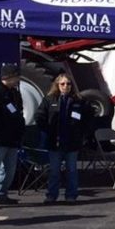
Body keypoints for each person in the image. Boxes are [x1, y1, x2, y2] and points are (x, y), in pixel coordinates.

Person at [34, 74, 89, 204]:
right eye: (62, 84)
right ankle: (51, 196)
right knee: (54, 171)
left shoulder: (79, 101)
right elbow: (39, 116)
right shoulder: (49, 99)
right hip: (55, 142)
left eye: (68, 84)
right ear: (57, 85)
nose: (66, 86)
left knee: (72, 170)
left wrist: (82, 133)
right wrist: (48, 130)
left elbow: (88, 118)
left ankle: (71, 195)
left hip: (72, 142)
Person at [0, 64, 24, 208]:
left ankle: (1, 194)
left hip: (12, 138)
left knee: (9, 170)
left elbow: (19, 113)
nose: (18, 79)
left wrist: (20, 129)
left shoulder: (15, 93)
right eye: (16, 76)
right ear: (9, 77)